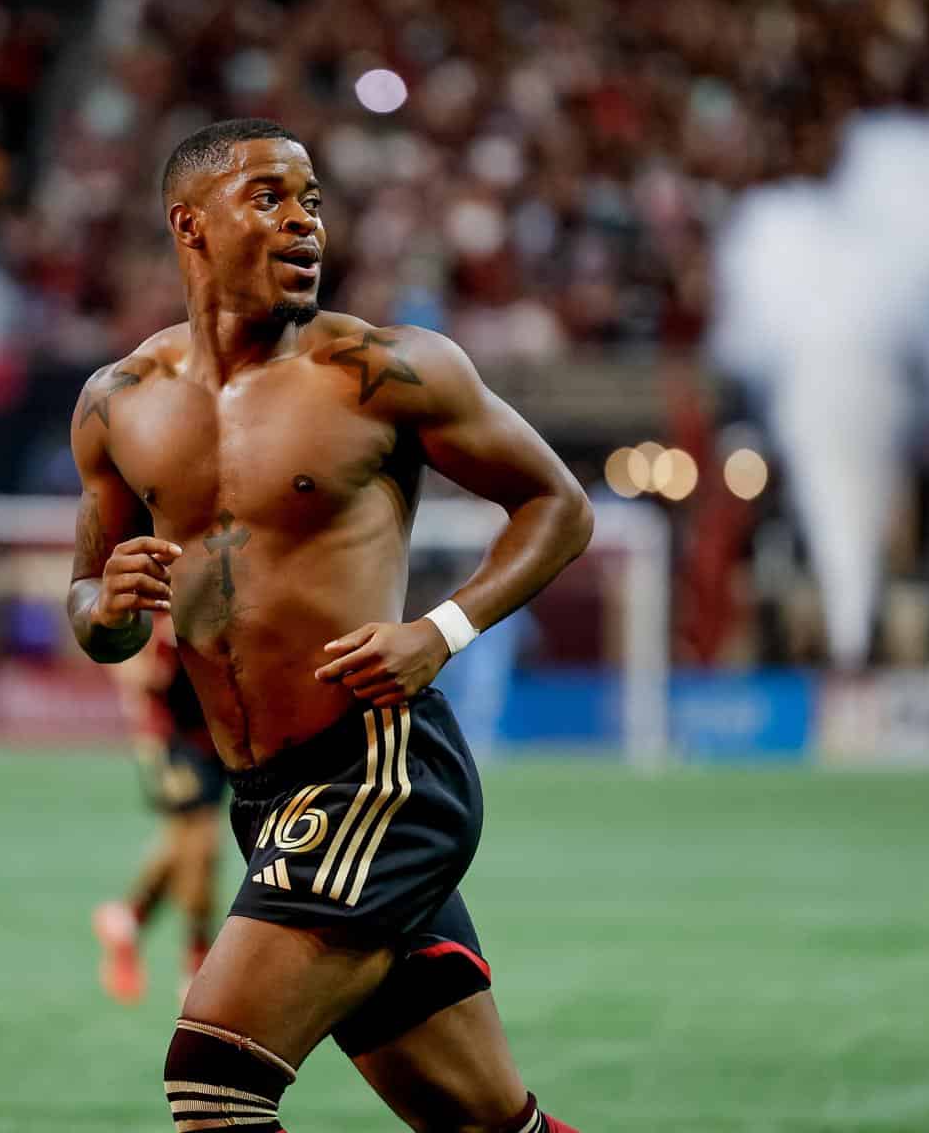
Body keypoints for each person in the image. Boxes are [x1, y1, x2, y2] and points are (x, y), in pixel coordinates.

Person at [66, 117, 591, 1132]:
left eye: (312, 199)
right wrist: (109, 603)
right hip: (268, 799)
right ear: (191, 224)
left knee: (212, 1071)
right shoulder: (117, 403)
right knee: (487, 1121)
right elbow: (92, 612)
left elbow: (559, 505)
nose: (304, 220)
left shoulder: (383, 370)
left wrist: (440, 629)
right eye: (270, 196)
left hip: (376, 766)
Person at [92, 613, 226, 1005]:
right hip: (170, 734)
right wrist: (147, 664)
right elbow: (110, 638)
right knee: (202, 840)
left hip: (217, 731)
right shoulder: (156, 584)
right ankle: (197, 961)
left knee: (182, 843)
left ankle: (127, 921)